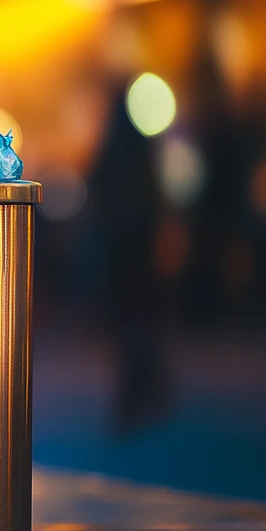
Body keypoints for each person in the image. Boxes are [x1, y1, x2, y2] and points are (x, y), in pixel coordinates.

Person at [86, 78, 169, 434]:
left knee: (126, 325)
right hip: (139, 248)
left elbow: (97, 193)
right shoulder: (141, 148)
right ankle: (148, 387)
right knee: (142, 321)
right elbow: (155, 196)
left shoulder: (110, 149)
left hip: (118, 249)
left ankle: (134, 393)